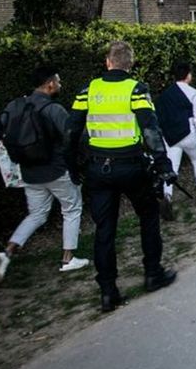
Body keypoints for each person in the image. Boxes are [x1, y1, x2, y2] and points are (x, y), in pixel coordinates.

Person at [66, 41, 177, 312]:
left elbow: (71, 130)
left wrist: (71, 165)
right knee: (148, 217)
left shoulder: (88, 90)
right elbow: (150, 130)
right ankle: (153, 273)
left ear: (108, 62)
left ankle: (107, 290)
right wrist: (163, 165)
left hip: (97, 169)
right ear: (130, 64)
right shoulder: (136, 89)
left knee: (104, 229)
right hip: (131, 166)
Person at [0, 66, 89, 283]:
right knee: (71, 209)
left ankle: (7, 253)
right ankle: (68, 258)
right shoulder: (53, 109)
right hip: (56, 170)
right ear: (50, 84)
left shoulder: (14, 106)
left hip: (29, 173)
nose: (60, 85)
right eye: (59, 82)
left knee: (36, 214)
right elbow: (73, 136)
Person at [156, 61, 196, 201]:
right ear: (188, 75)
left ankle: (167, 196)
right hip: (189, 133)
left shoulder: (165, 95)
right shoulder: (193, 93)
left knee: (172, 166)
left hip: (171, 137)